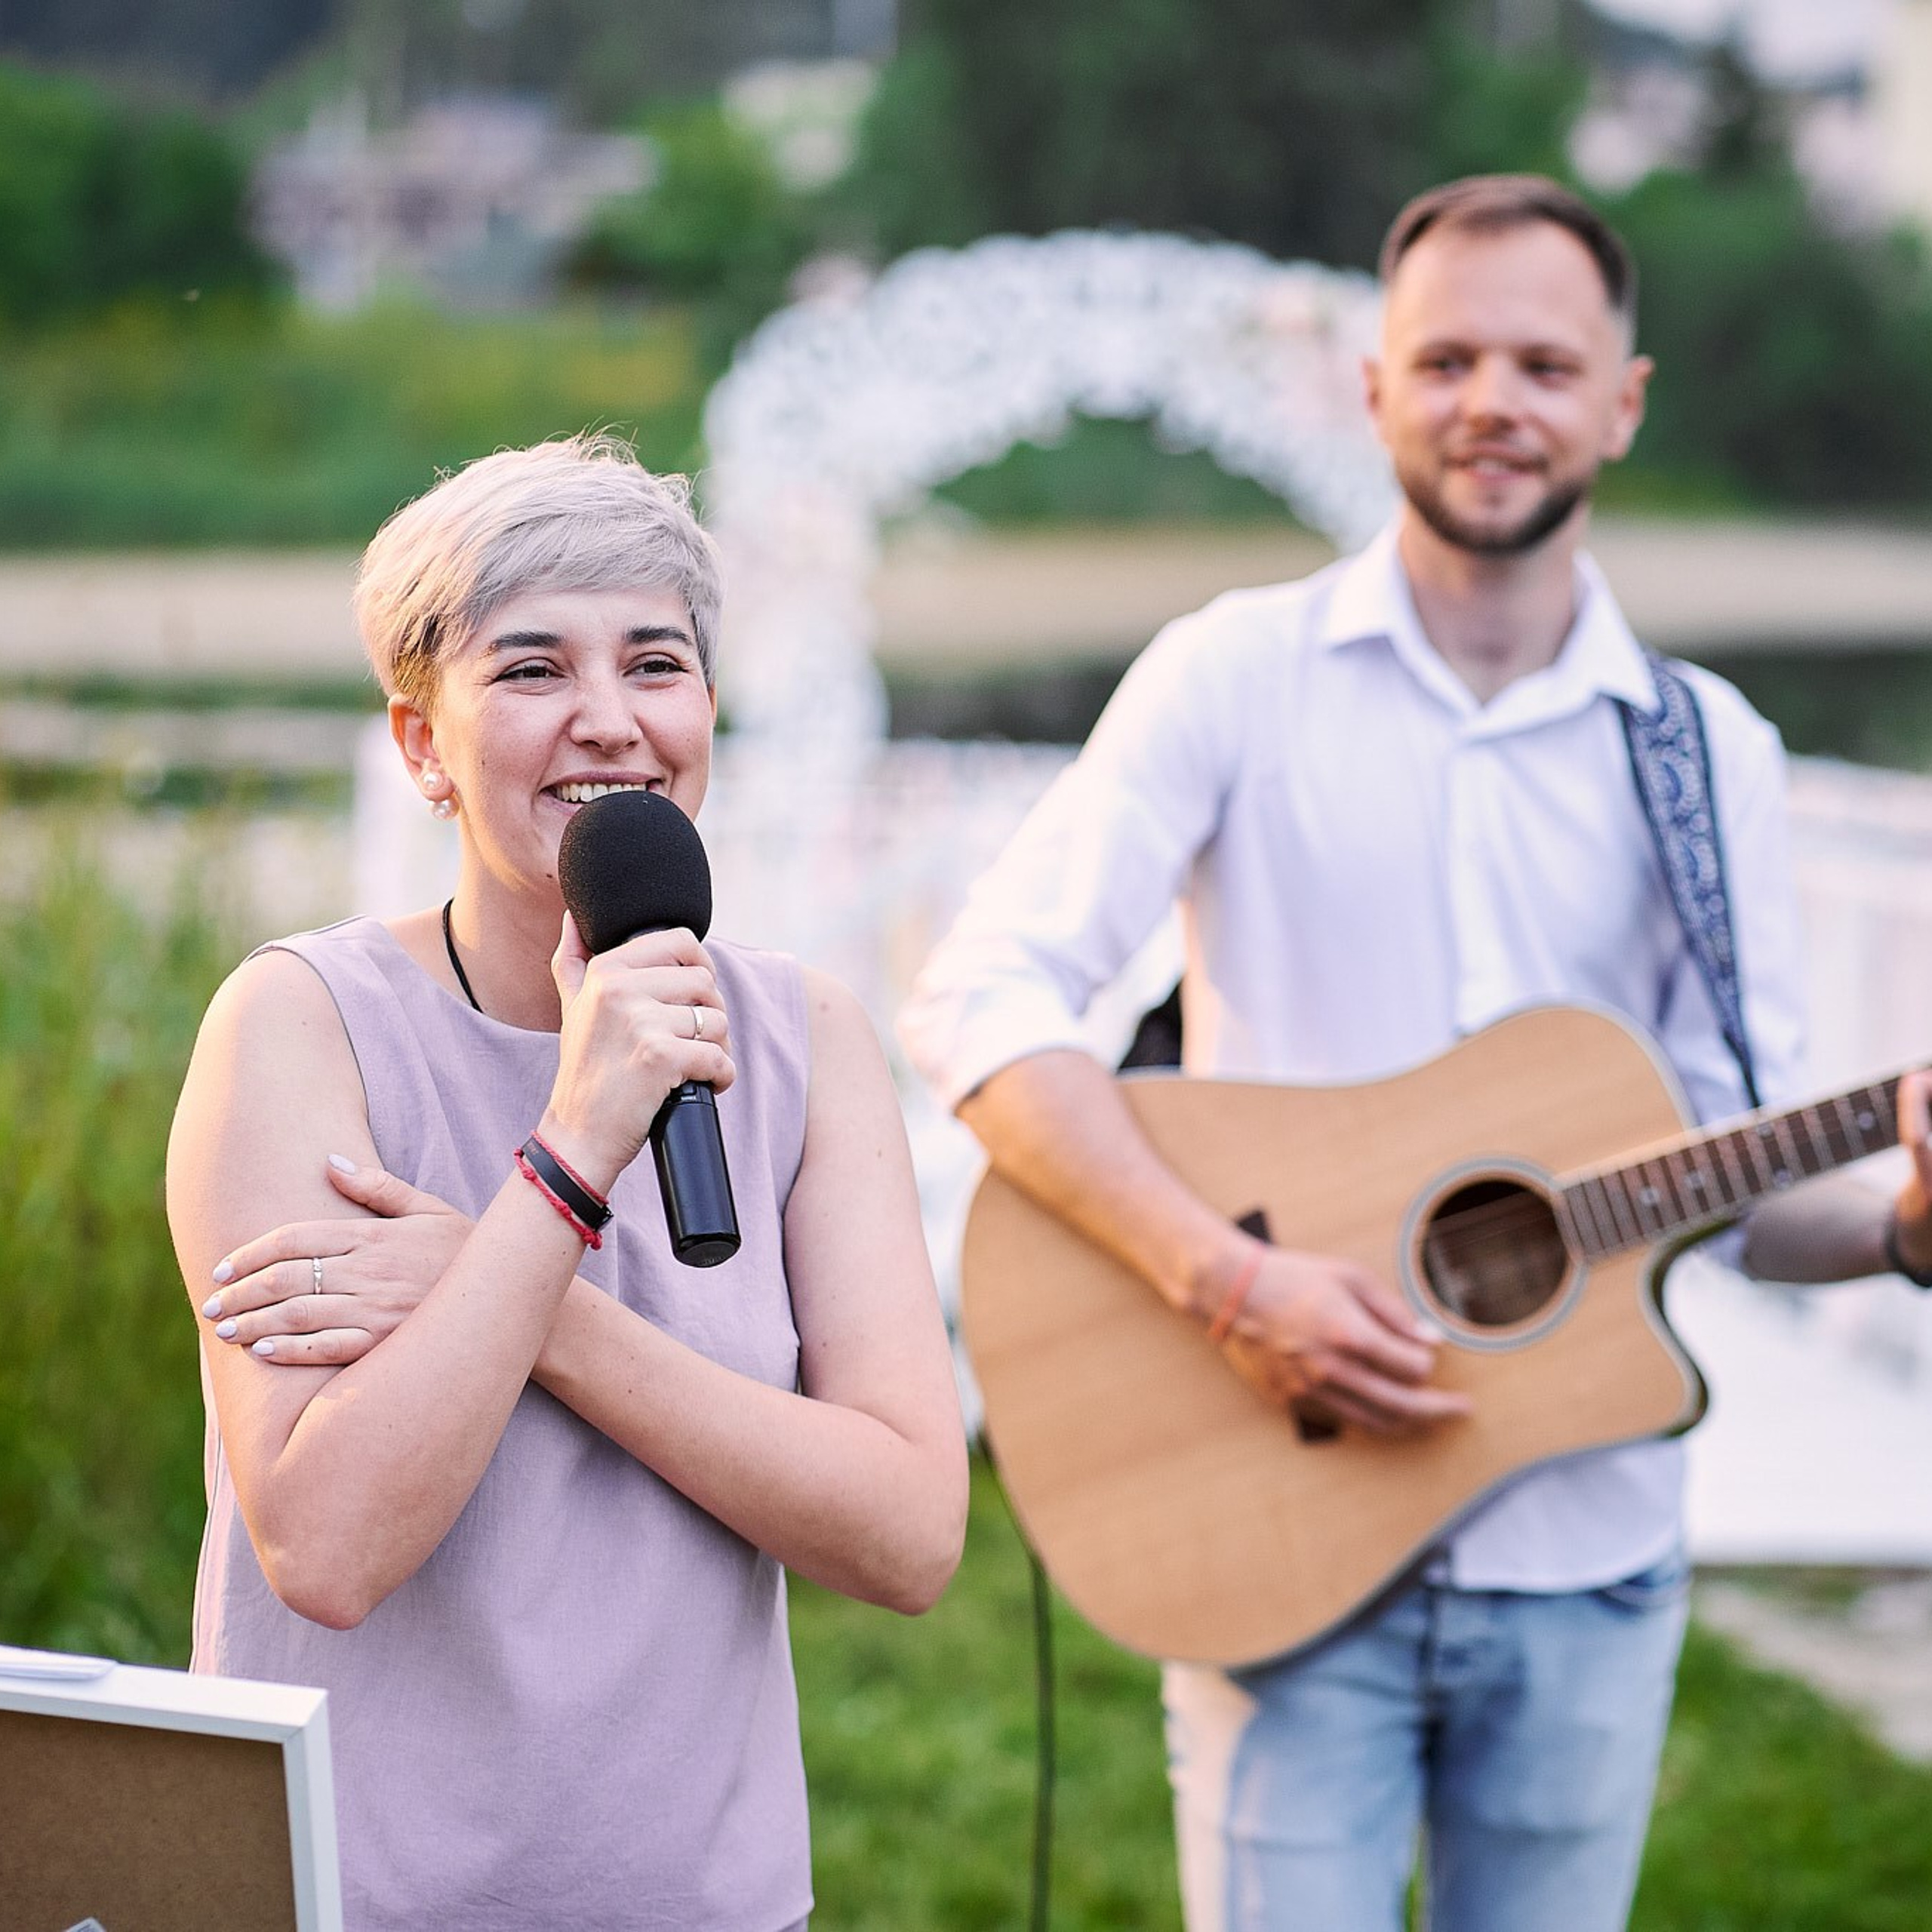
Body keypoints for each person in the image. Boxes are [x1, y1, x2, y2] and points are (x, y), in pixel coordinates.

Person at [898, 174, 1932, 1932]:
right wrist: (1223, 1278)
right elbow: (978, 992)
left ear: (1621, 401)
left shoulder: (1708, 756)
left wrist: (1905, 1225)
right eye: (1444, 359)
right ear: (1368, 388)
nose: (1490, 402)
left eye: (1543, 364)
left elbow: (1729, 1192)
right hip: (1274, 1492)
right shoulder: (1230, 675)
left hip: (1587, 1550)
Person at [171, 434, 968, 1931]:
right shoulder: (298, 1024)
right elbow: (327, 1547)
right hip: (354, 1896)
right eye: (532, 668)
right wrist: (572, 1153)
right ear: (423, 744)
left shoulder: (805, 1038)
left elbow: (908, 1535)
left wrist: (513, 1295)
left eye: (656, 663)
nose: (611, 719)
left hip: (706, 1902)